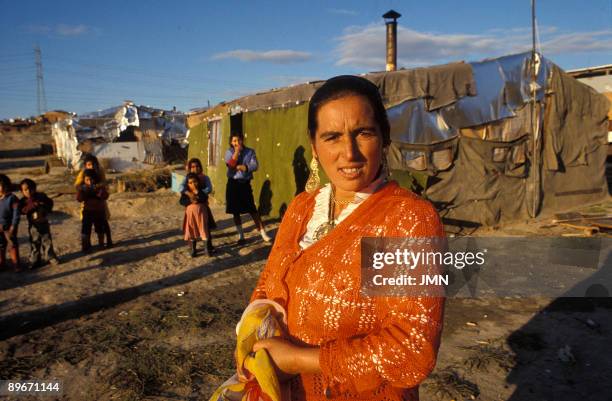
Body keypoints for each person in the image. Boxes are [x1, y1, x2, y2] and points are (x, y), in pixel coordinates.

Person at [239, 76, 446, 401]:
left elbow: (410, 349)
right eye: (332, 137)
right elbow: (269, 282)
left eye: (363, 133)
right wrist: (254, 336)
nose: (349, 153)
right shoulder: (302, 207)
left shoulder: (405, 219)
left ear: (384, 136)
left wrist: (299, 360)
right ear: (314, 146)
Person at [224, 132, 272, 244]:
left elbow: (255, 165)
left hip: (245, 184)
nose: (236, 143)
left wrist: (245, 167)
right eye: (234, 141)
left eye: (238, 140)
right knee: (235, 211)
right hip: (233, 184)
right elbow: (230, 165)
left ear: (242, 140)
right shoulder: (229, 152)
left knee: (252, 210)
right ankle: (241, 236)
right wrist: (236, 152)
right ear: (231, 142)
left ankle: (263, 233)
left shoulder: (250, 152)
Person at [19, 178, 60, 268]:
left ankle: (50, 257)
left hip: (44, 223)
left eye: (30, 188)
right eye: (25, 190)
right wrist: (33, 205)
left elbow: (50, 202)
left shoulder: (41, 196)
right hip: (33, 225)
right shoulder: (23, 201)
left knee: (47, 241)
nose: (28, 191)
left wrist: (46, 207)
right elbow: (22, 211)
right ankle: (35, 260)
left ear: (35, 188)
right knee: (34, 243)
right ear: (22, 191)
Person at [75, 154, 112, 247]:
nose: (90, 166)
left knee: (103, 222)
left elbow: (104, 183)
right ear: (85, 165)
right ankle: (86, 245)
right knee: (86, 226)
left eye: (92, 164)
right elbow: (77, 185)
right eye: (88, 165)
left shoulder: (99, 171)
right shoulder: (83, 173)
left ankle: (108, 241)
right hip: (87, 205)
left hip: (99, 204)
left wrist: (98, 187)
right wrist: (84, 189)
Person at [180, 172, 216, 257]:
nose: (193, 184)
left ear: (198, 182)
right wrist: (190, 201)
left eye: (195, 181)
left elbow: (204, 198)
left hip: (202, 215)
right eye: (190, 183)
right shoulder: (186, 193)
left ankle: (207, 249)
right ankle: (193, 250)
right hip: (191, 216)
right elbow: (181, 201)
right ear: (187, 184)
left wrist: (197, 192)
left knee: (204, 230)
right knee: (192, 231)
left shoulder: (202, 191)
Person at [181, 158, 217, 230]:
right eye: (193, 167)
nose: (195, 168)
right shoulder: (187, 178)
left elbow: (209, 188)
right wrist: (189, 193)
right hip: (191, 203)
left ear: (200, 167)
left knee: (206, 223)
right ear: (190, 168)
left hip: (202, 202)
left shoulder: (205, 177)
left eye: (197, 166)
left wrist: (199, 194)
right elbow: (181, 187)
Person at [0, 174, 20, 270]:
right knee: (0, 245)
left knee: (12, 245)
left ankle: (16, 264)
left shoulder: (12, 198)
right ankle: (2, 264)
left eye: (2, 185)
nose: (1, 188)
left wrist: (13, 225)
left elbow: (16, 213)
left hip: (9, 226)